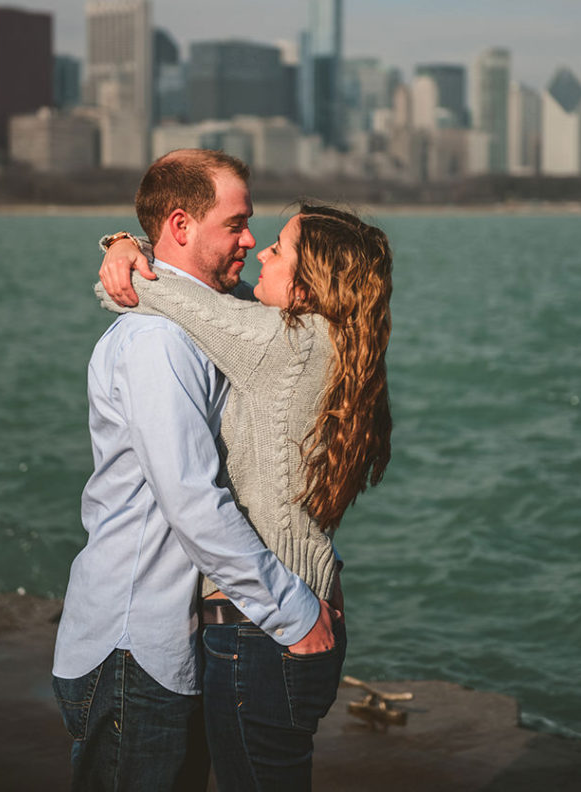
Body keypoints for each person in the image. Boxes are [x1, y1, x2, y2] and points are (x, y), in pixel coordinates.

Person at [52, 149, 337, 792]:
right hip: (134, 644)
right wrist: (295, 613)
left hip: (174, 646)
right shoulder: (158, 344)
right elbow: (194, 503)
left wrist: (125, 246)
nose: (250, 239)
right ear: (180, 226)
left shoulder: (213, 322)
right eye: (236, 224)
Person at [97, 197, 393, 791]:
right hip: (309, 603)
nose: (261, 249)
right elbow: (201, 306)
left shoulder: (278, 346)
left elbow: (144, 292)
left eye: (280, 250)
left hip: (264, 628)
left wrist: (118, 248)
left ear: (308, 285)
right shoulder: (334, 342)